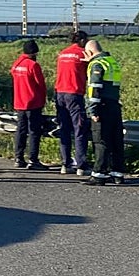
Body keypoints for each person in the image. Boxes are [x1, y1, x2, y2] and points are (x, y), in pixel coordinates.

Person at [83, 39, 125, 186]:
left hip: (102, 106)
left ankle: (99, 174)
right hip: (114, 105)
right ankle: (117, 173)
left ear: (89, 52)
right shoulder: (111, 61)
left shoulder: (96, 64)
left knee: (101, 140)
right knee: (116, 140)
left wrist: (92, 110)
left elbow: (94, 88)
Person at [54, 30, 92, 175]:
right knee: (79, 129)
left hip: (60, 93)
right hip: (74, 93)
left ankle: (66, 163)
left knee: (64, 129)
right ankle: (81, 165)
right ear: (82, 40)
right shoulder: (83, 54)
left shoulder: (62, 53)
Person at [11, 39, 47, 170]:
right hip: (33, 103)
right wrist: (43, 100)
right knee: (34, 132)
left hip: (19, 102)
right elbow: (41, 85)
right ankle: (33, 159)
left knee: (20, 131)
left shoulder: (16, 64)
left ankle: (18, 158)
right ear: (34, 53)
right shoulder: (33, 65)